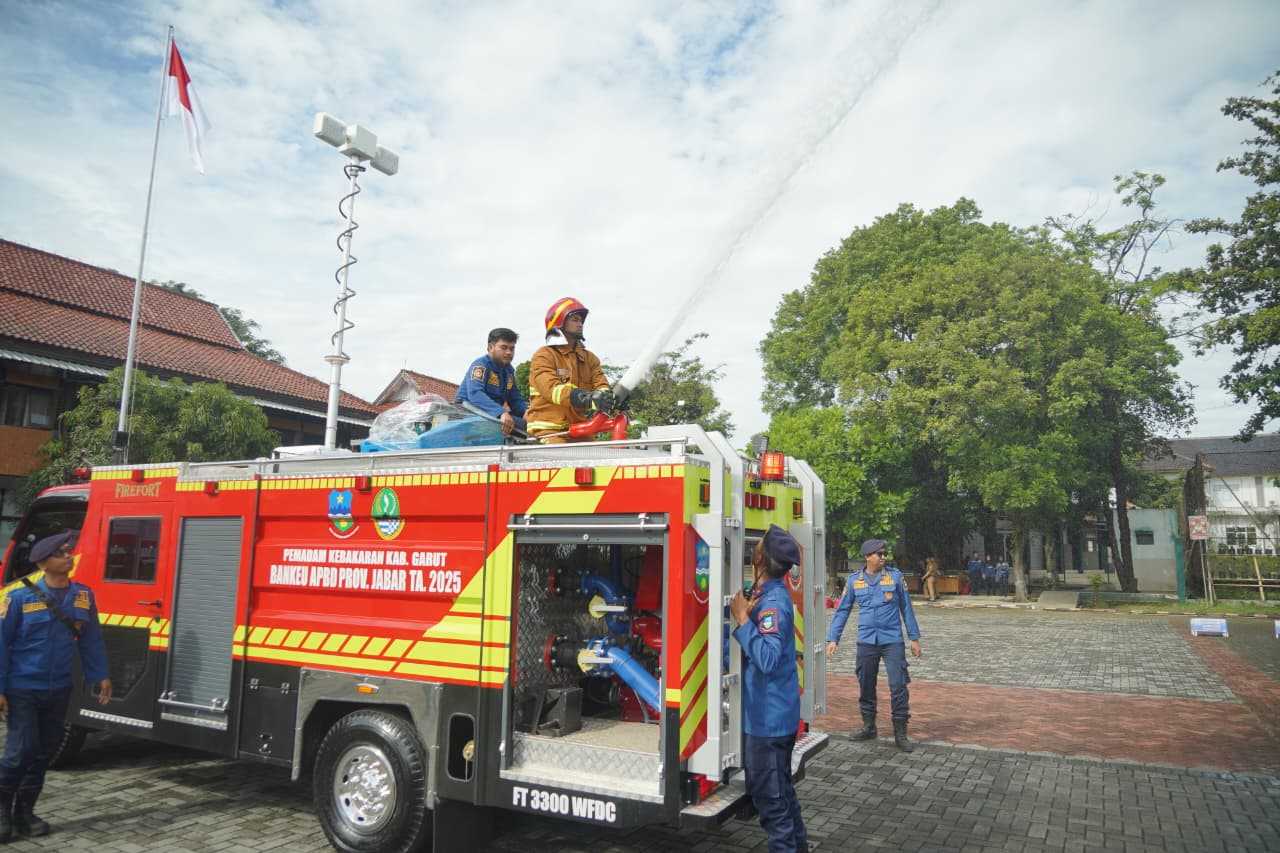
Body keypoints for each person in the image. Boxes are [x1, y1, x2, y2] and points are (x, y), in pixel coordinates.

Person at [0, 530, 110, 840]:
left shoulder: (82, 595)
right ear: (43, 563)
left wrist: (99, 674)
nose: (68, 556)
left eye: (68, 552)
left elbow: (91, 639)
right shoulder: (17, 597)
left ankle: (25, 812)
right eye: (61, 554)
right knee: (19, 751)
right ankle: (2, 811)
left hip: (59, 687)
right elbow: (1, 645)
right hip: (22, 687)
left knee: (43, 751)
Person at [730, 525, 808, 853]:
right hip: (773, 716)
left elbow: (768, 657)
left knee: (772, 805)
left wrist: (742, 620)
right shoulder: (765, 592)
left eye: (756, 546)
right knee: (783, 795)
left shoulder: (774, 602)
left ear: (761, 557)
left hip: (768, 721)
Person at [825, 539, 921, 751]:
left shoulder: (895, 577)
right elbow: (843, 610)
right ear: (868, 556)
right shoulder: (854, 581)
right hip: (866, 641)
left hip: (892, 640)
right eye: (879, 554)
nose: (883, 557)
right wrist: (833, 638)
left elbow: (906, 609)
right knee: (865, 683)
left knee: (898, 685)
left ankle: (900, 732)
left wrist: (914, 638)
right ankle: (869, 726)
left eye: (884, 553)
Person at [525, 297, 614, 443]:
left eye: (581, 321)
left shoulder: (589, 358)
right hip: (548, 430)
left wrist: (608, 398)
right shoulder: (544, 355)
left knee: (598, 458)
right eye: (575, 319)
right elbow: (551, 389)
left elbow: (601, 384)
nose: (580, 324)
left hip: (580, 429)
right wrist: (586, 398)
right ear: (559, 321)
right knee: (565, 461)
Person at [455, 327, 527, 435]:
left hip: (491, 414)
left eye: (512, 348)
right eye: (504, 347)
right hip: (468, 413)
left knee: (534, 424)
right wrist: (501, 412)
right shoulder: (480, 365)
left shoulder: (509, 371)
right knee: (525, 427)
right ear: (490, 347)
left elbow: (515, 399)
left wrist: (526, 412)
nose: (508, 352)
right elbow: (475, 394)